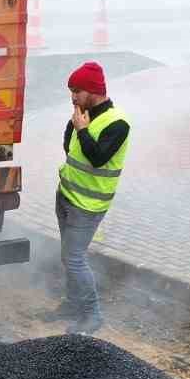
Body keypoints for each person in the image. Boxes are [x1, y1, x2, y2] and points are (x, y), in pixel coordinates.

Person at [49, 61, 131, 336]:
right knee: (67, 256)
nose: (72, 96)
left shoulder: (118, 124)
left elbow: (97, 159)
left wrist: (82, 130)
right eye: (71, 90)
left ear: (93, 90)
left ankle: (92, 315)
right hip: (67, 196)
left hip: (88, 205)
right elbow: (68, 145)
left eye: (77, 90)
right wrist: (76, 128)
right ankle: (73, 305)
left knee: (74, 259)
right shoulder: (81, 114)